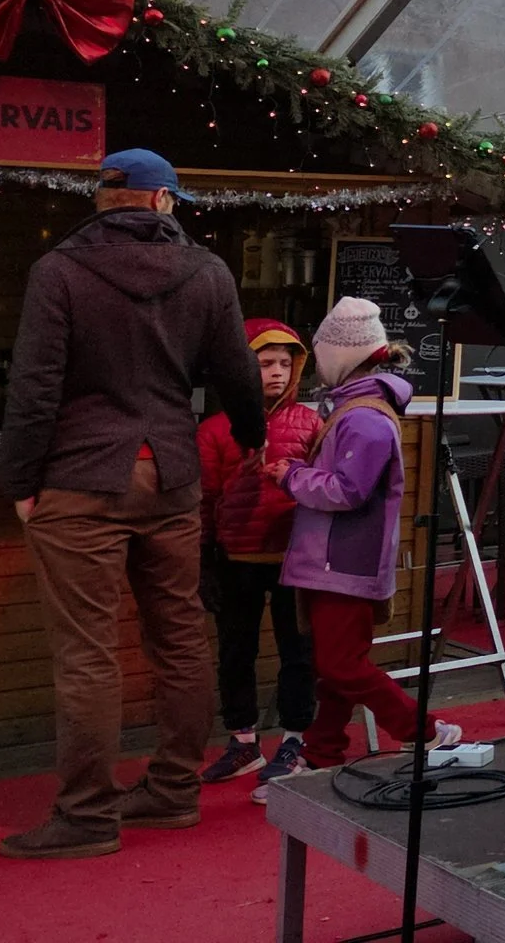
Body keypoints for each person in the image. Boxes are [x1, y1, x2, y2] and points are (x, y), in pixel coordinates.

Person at [0, 149, 265, 860]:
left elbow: (34, 388)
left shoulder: (60, 271)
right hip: (173, 479)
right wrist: (253, 440)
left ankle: (86, 816)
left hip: (81, 480)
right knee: (179, 639)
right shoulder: (207, 271)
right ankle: (173, 794)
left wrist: (20, 483)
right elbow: (240, 377)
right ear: (164, 202)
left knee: (87, 656)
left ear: (104, 200)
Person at [266, 298, 459, 803]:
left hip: (343, 563)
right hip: (336, 561)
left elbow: (348, 491)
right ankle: (322, 751)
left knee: (341, 666)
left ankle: (428, 732)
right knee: (337, 664)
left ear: (342, 356)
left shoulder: (365, 418)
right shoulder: (358, 409)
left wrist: (291, 475)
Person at [197, 320, 323, 792]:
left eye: (284, 364)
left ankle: (294, 740)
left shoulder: (311, 423)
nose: (275, 372)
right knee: (235, 652)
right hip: (236, 557)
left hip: (294, 555)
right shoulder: (214, 430)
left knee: (298, 653)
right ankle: (243, 741)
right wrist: (204, 558)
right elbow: (206, 498)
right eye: (264, 363)